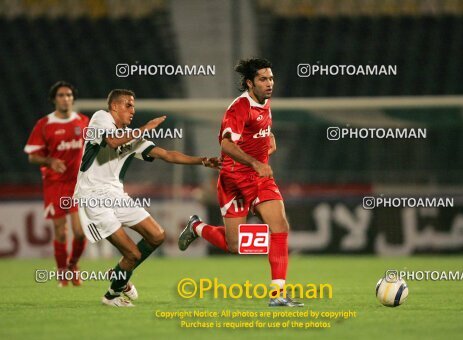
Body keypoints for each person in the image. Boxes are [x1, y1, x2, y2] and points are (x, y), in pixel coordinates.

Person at [74, 89, 220, 307]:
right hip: (93, 197)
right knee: (131, 254)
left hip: (116, 195)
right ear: (114, 107)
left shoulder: (132, 136)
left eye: (133, 106)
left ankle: (118, 274)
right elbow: (113, 142)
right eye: (128, 105)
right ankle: (111, 296)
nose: (132, 110)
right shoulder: (100, 119)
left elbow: (167, 155)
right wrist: (144, 129)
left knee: (157, 235)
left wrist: (203, 160)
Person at [178, 58, 303, 307]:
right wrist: (255, 162)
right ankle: (196, 228)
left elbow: (258, 130)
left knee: (280, 227)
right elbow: (226, 143)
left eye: (271, 78)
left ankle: (278, 295)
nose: (269, 84)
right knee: (235, 246)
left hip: (259, 179)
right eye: (263, 79)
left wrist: (269, 139)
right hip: (233, 179)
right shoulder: (239, 107)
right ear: (249, 82)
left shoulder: (265, 102)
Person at [24, 81, 89, 287]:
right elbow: (32, 157)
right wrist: (50, 161)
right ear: (54, 99)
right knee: (61, 232)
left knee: (79, 232)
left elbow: (94, 149)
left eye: (69, 95)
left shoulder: (83, 122)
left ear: (73, 98)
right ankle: (62, 272)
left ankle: (73, 265)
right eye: (61, 95)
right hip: (55, 183)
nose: (65, 98)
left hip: (77, 185)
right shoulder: (44, 124)